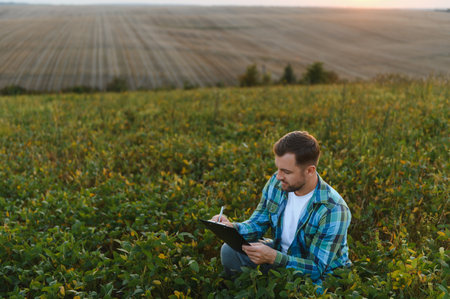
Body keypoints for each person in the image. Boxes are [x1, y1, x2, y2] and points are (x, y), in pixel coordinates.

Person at [210, 131, 351, 288]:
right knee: (230, 251)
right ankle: (242, 290)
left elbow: (317, 268)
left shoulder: (333, 209)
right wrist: (232, 228)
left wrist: (273, 257)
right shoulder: (278, 183)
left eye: (287, 171)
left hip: (318, 276)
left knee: (305, 289)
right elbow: (257, 223)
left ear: (310, 171)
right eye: (278, 168)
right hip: (279, 255)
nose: (278, 176)